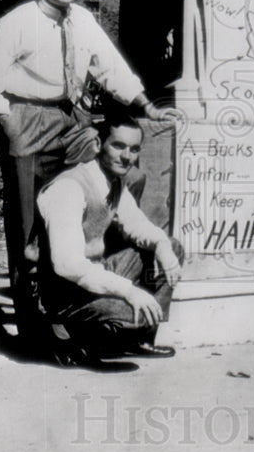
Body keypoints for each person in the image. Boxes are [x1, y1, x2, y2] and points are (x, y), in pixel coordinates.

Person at [0, 0, 164, 319]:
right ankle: (31, 319)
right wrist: (10, 124)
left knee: (119, 180)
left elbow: (112, 69)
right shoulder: (16, 22)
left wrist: (147, 106)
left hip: (73, 119)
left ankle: (92, 288)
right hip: (27, 119)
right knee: (28, 226)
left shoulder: (83, 21)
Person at [36, 116, 183, 365]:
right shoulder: (69, 187)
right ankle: (75, 336)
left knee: (171, 246)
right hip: (64, 294)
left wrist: (162, 245)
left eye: (134, 149)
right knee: (135, 314)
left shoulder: (113, 181)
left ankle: (137, 338)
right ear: (98, 144)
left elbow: (136, 224)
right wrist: (128, 291)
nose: (127, 156)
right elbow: (67, 265)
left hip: (94, 275)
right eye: (118, 146)